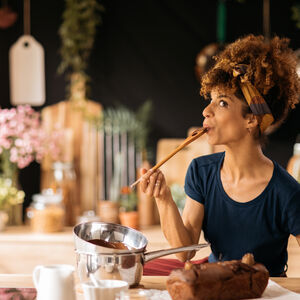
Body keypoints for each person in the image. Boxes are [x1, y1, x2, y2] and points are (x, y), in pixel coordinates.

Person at [140, 34, 300, 277]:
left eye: (222, 103)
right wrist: (163, 198)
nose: (206, 111)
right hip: (213, 278)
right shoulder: (201, 171)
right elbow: (185, 252)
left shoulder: (286, 192)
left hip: (263, 292)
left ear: (251, 119)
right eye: (211, 100)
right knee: (142, 270)